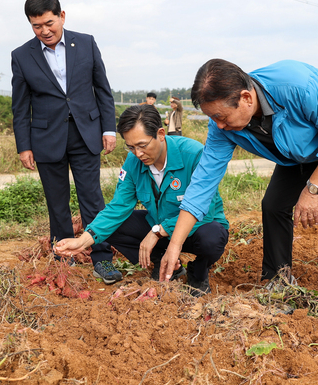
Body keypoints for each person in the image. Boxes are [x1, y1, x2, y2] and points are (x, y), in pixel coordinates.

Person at [158, 59, 318, 325]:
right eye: (212, 118)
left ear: (246, 98)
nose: (219, 125)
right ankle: (279, 280)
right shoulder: (222, 128)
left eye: (221, 117)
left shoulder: (298, 86)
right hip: (299, 147)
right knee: (273, 203)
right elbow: (203, 183)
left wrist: (313, 189)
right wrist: (175, 244)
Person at [54, 105, 229, 295]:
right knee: (114, 225)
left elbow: (205, 210)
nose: (138, 154)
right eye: (131, 147)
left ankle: (199, 272)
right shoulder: (133, 162)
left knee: (212, 236)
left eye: (143, 145)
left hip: (198, 228)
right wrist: (82, 241)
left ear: (160, 134)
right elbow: (117, 208)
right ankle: (165, 263)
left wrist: (157, 231)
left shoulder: (193, 155)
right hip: (161, 227)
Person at [11, 0, 122, 284]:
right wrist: (24, 146)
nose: (44, 31)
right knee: (56, 203)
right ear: (30, 25)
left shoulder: (85, 43)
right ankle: (63, 260)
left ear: (62, 16)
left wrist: (108, 128)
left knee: (92, 199)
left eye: (49, 23)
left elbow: (103, 89)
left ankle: (102, 259)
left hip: (87, 134)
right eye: (37, 26)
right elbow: (20, 107)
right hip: (46, 139)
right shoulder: (22, 56)